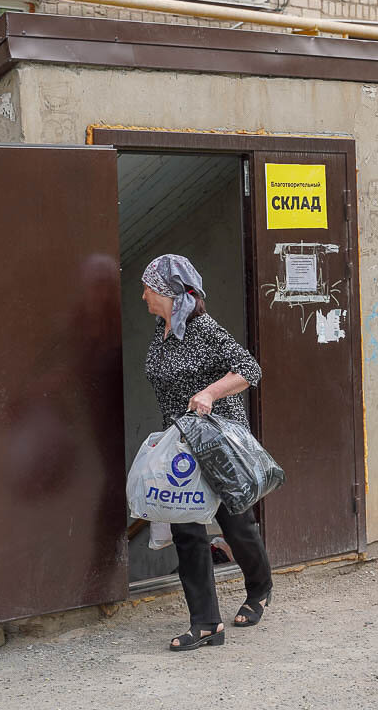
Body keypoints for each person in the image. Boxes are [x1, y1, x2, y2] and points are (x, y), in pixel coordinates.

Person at [140, 254, 272, 652]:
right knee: (187, 532)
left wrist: (210, 392)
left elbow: (249, 369)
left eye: (148, 287)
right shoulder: (162, 329)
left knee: (237, 528)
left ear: (166, 291)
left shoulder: (203, 328)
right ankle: (206, 623)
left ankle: (260, 587)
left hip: (218, 443)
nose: (142, 294)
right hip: (180, 445)